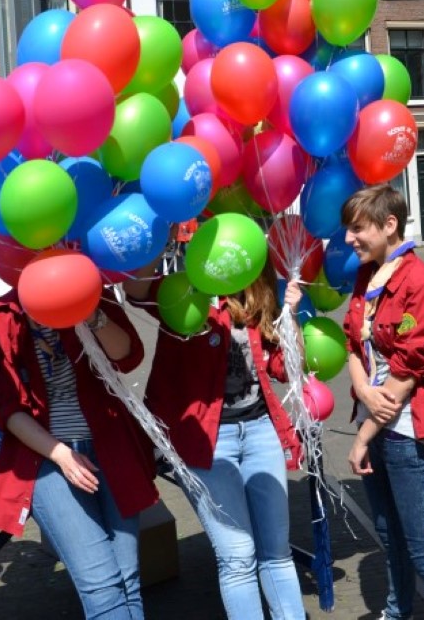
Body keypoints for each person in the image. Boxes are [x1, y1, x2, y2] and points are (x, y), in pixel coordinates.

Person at [126, 260, 307, 620]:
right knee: (238, 556)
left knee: (276, 552)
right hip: (206, 441)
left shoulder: (259, 294)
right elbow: (136, 289)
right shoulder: (185, 290)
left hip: (261, 432)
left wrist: (291, 315)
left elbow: (285, 369)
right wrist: (163, 234)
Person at [0, 290, 157, 620]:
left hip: (112, 447)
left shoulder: (89, 292)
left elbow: (129, 356)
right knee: (102, 585)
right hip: (46, 458)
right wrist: (60, 454)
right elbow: (8, 410)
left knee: (128, 579)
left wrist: (89, 313)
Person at [340, 184, 424, 619]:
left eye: (358, 229)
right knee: (390, 537)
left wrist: (361, 438)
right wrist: (363, 391)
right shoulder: (367, 275)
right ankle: (397, 612)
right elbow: (351, 343)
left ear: (389, 225)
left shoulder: (423, 285)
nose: (349, 239)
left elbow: (405, 377)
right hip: (374, 422)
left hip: (407, 433)